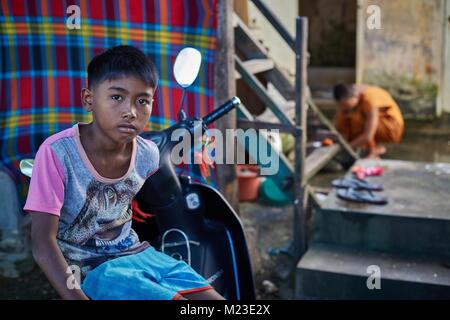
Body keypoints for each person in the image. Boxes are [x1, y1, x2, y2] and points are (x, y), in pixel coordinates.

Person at [23, 45, 224, 300]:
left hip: (140, 254)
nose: (131, 111)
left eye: (142, 101)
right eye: (117, 97)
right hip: (91, 269)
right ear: (89, 99)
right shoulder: (57, 154)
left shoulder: (147, 154)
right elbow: (42, 243)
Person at [333, 83, 404, 159]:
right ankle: (371, 148)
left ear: (357, 96)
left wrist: (346, 148)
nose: (345, 109)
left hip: (390, 128)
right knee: (346, 117)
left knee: (356, 119)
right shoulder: (350, 93)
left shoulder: (369, 100)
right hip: (370, 123)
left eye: (348, 107)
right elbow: (338, 122)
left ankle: (374, 151)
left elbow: (368, 136)